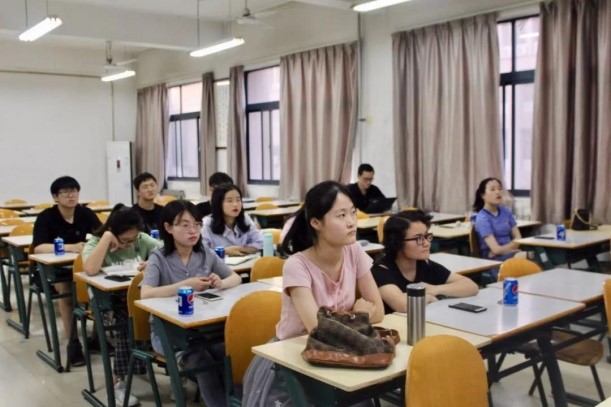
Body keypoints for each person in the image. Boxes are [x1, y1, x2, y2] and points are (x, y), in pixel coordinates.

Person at [242, 181, 384, 406]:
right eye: (341, 215)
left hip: (341, 351)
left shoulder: (354, 251)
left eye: (352, 212)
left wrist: (351, 319)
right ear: (316, 222)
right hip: (294, 360)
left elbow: (379, 310)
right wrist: (358, 315)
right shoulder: (297, 265)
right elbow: (318, 329)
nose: (351, 222)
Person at [141, 200, 241, 407]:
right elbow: (146, 294)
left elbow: (236, 278)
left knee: (230, 355)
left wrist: (221, 283)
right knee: (202, 363)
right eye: (185, 225)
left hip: (204, 328)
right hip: (168, 333)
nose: (193, 230)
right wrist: (185, 285)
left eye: (196, 224)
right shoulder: (158, 256)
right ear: (168, 228)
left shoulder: (204, 252)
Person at [82, 204, 160, 407]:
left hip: (136, 296)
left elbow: (165, 251)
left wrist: (152, 262)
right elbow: (90, 269)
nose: (129, 244)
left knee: (158, 316)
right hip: (106, 300)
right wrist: (107, 238)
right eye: (125, 240)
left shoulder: (141, 239)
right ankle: (119, 382)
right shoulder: (97, 242)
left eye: (133, 239)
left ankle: (165, 365)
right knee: (129, 323)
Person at [32, 175, 102, 367]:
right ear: (56, 197)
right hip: (52, 270)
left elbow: (102, 235)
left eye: (74, 191)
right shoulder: (46, 217)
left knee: (100, 288)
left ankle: (96, 339)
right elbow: (39, 247)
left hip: (80, 266)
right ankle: (74, 343)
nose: (71, 195)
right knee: (67, 290)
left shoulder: (85, 213)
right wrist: (71, 247)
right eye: (65, 192)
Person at [372, 210, 479, 314]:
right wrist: (430, 298)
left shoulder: (424, 264)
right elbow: (402, 304)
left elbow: (471, 286)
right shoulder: (380, 270)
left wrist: (435, 289)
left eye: (427, 236)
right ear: (397, 242)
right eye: (419, 238)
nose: (427, 243)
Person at [472, 178, 525, 280]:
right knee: (528, 256)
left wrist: (503, 250)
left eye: (499, 188)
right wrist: (510, 248)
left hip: (508, 254)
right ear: (483, 195)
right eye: (492, 189)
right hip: (492, 260)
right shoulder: (483, 218)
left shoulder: (505, 211)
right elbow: (496, 249)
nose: (497, 192)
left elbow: (518, 238)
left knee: (536, 256)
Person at [201, 183, 263, 256]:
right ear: (218, 204)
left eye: (238, 200)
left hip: (245, 261)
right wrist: (224, 251)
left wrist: (241, 249)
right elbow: (201, 253)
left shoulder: (245, 218)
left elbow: (261, 242)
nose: (235, 204)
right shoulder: (207, 224)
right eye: (229, 201)